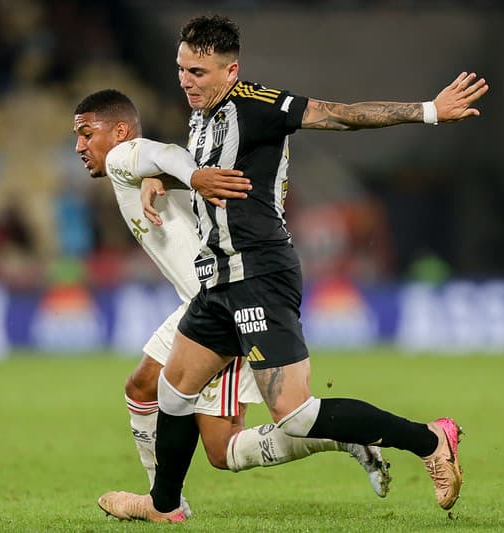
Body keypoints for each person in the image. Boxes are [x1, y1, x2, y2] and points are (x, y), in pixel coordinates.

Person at [98, 15, 489, 522]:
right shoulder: (201, 117)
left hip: (260, 274)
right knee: (173, 388)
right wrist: (165, 182)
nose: (185, 81)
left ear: (230, 70)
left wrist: (430, 111)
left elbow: (344, 115)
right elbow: (212, 172)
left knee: (297, 416)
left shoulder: (260, 106)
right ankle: (164, 505)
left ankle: (431, 439)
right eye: (181, 69)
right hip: (217, 278)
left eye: (197, 71)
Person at [73, 89, 391, 515]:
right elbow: (169, 158)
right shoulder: (139, 167)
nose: (79, 146)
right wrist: (179, 175)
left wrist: (188, 175)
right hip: (206, 299)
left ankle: (163, 501)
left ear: (120, 131)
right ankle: (342, 437)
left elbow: (166, 152)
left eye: (86, 133)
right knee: (217, 445)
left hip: (219, 301)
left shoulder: (123, 156)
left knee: (162, 398)